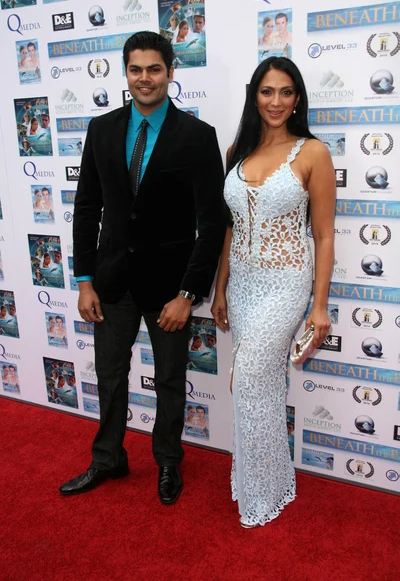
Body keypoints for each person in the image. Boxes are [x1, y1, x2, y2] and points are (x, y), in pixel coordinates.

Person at [59, 31, 225, 503]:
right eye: (137, 69)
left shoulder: (197, 137)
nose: (145, 78)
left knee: (171, 379)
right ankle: (108, 458)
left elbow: (211, 224)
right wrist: (85, 279)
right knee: (110, 376)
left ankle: (169, 462)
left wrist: (188, 294)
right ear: (126, 73)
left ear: (171, 72)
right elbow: (87, 208)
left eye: (155, 69)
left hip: (169, 290)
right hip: (111, 282)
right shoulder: (102, 129)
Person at [211, 56, 335, 528]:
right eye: (267, 91)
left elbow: (323, 234)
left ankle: (264, 491)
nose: (276, 101)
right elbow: (229, 229)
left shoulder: (312, 153)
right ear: (254, 96)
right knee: (255, 385)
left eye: (286, 92)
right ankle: (269, 478)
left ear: (297, 98)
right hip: (241, 282)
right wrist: (219, 288)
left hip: (286, 282)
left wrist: (318, 306)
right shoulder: (235, 153)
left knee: (248, 380)